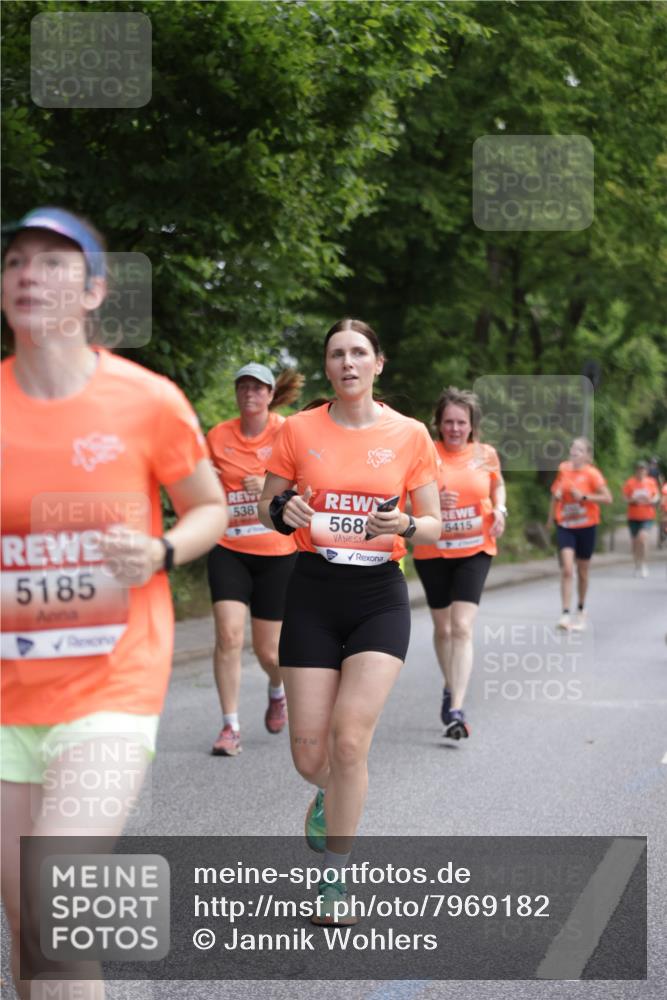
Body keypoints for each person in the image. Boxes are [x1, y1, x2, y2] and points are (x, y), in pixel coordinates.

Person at [0, 207, 227, 999]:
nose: (29, 274)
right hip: (3, 704)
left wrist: (161, 550)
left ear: (95, 291)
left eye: (54, 263)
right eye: (16, 261)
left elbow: (211, 506)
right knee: (30, 937)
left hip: (109, 688)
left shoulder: (146, 401)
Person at [257, 318, 440, 924]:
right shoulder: (298, 429)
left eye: (360, 352)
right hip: (311, 592)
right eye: (338, 354)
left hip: (378, 598)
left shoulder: (410, 434)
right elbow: (267, 504)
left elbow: (433, 522)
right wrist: (286, 510)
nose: (349, 363)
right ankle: (323, 793)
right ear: (328, 367)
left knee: (350, 740)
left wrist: (407, 527)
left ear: (378, 363)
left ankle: (336, 882)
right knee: (311, 757)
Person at [206, 363, 302, 756]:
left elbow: (309, 482)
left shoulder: (288, 431)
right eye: (243, 386)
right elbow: (203, 485)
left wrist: (268, 486)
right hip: (229, 547)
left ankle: (276, 689)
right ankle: (230, 727)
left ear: (269, 394)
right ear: (237, 393)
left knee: (270, 652)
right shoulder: (218, 436)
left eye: (258, 387)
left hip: (276, 552)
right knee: (228, 636)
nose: (250, 393)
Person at [412, 387, 506, 740]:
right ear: (438, 423)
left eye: (461, 422)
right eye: (448, 422)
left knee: (462, 626)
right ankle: (451, 686)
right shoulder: (425, 453)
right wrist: (433, 500)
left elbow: (498, 487)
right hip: (433, 550)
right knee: (443, 629)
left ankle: (456, 709)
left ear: (471, 425)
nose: (454, 428)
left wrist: (500, 509)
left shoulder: (486, 454)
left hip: (475, 547)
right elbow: (406, 497)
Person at [546, 437, 612, 631]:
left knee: (582, 571)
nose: (574, 451)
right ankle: (565, 613)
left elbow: (608, 498)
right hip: (565, 525)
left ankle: (581, 607)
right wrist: (551, 517)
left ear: (587, 456)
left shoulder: (592, 474)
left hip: (586, 526)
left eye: (579, 449)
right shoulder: (563, 469)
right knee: (567, 568)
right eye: (573, 447)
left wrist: (584, 497)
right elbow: (555, 493)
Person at [622, 460, 659, 577]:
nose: (641, 471)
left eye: (643, 469)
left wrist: (652, 500)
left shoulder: (651, 482)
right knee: (634, 543)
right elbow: (624, 498)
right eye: (639, 469)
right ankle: (636, 564)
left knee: (642, 539)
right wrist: (633, 500)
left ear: (646, 471)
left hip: (647, 515)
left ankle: (643, 564)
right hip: (633, 516)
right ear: (636, 470)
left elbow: (656, 496)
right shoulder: (630, 483)